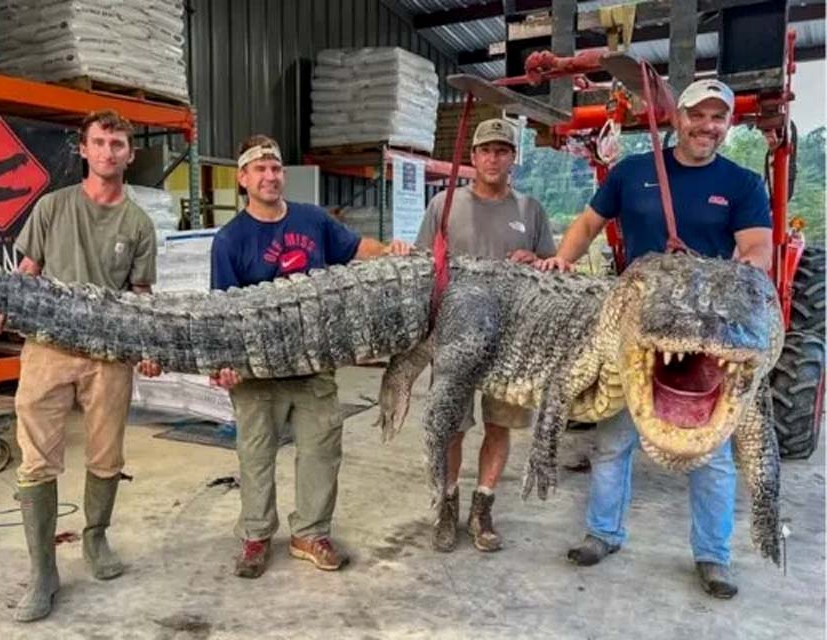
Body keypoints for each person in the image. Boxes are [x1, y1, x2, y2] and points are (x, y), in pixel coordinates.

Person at [538, 79, 772, 598]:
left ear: (728, 124)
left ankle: (713, 556)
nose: (707, 126)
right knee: (613, 438)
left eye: (718, 117)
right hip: (639, 330)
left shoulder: (742, 184)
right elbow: (588, 223)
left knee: (709, 453)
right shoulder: (633, 173)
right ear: (676, 118)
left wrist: (728, 275)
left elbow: (758, 251)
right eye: (698, 115)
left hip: (705, 334)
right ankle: (602, 533)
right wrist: (563, 260)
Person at [0, 110, 162, 622]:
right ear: (83, 150)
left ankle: (95, 539)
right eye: (99, 142)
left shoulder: (138, 224)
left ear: (129, 154)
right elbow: (23, 279)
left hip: (109, 356)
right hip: (48, 352)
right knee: (36, 460)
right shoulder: (52, 208)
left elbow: (139, 296)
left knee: (106, 456)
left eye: (117, 143)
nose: (108, 152)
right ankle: (43, 570)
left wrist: (146, 344)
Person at [210, 134, 411, 579]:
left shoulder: (313, 219)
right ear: (243, 178)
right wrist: (222, 364)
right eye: (259, 169)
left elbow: (358, 249)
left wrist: (391, 250)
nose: (270, 176)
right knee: (256, 454)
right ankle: (256, 536)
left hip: (312, 364)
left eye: (276, 168)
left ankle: (311, 533)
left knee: (321, 449)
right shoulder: (229, 240)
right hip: (255, 371)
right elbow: (221, 311)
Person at [415, 118, 556, 553]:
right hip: (454, 335)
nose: (493, 158)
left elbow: (550, 268)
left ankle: (483, 508)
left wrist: (534, 259)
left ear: (513, 157)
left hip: (512, 341)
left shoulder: (530, 209)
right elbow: (422, 267)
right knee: (451, 426)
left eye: (502, 150)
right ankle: (447, 505)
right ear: (472, 157)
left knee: (500, 425)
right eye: (485, 150)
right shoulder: (444, 204)